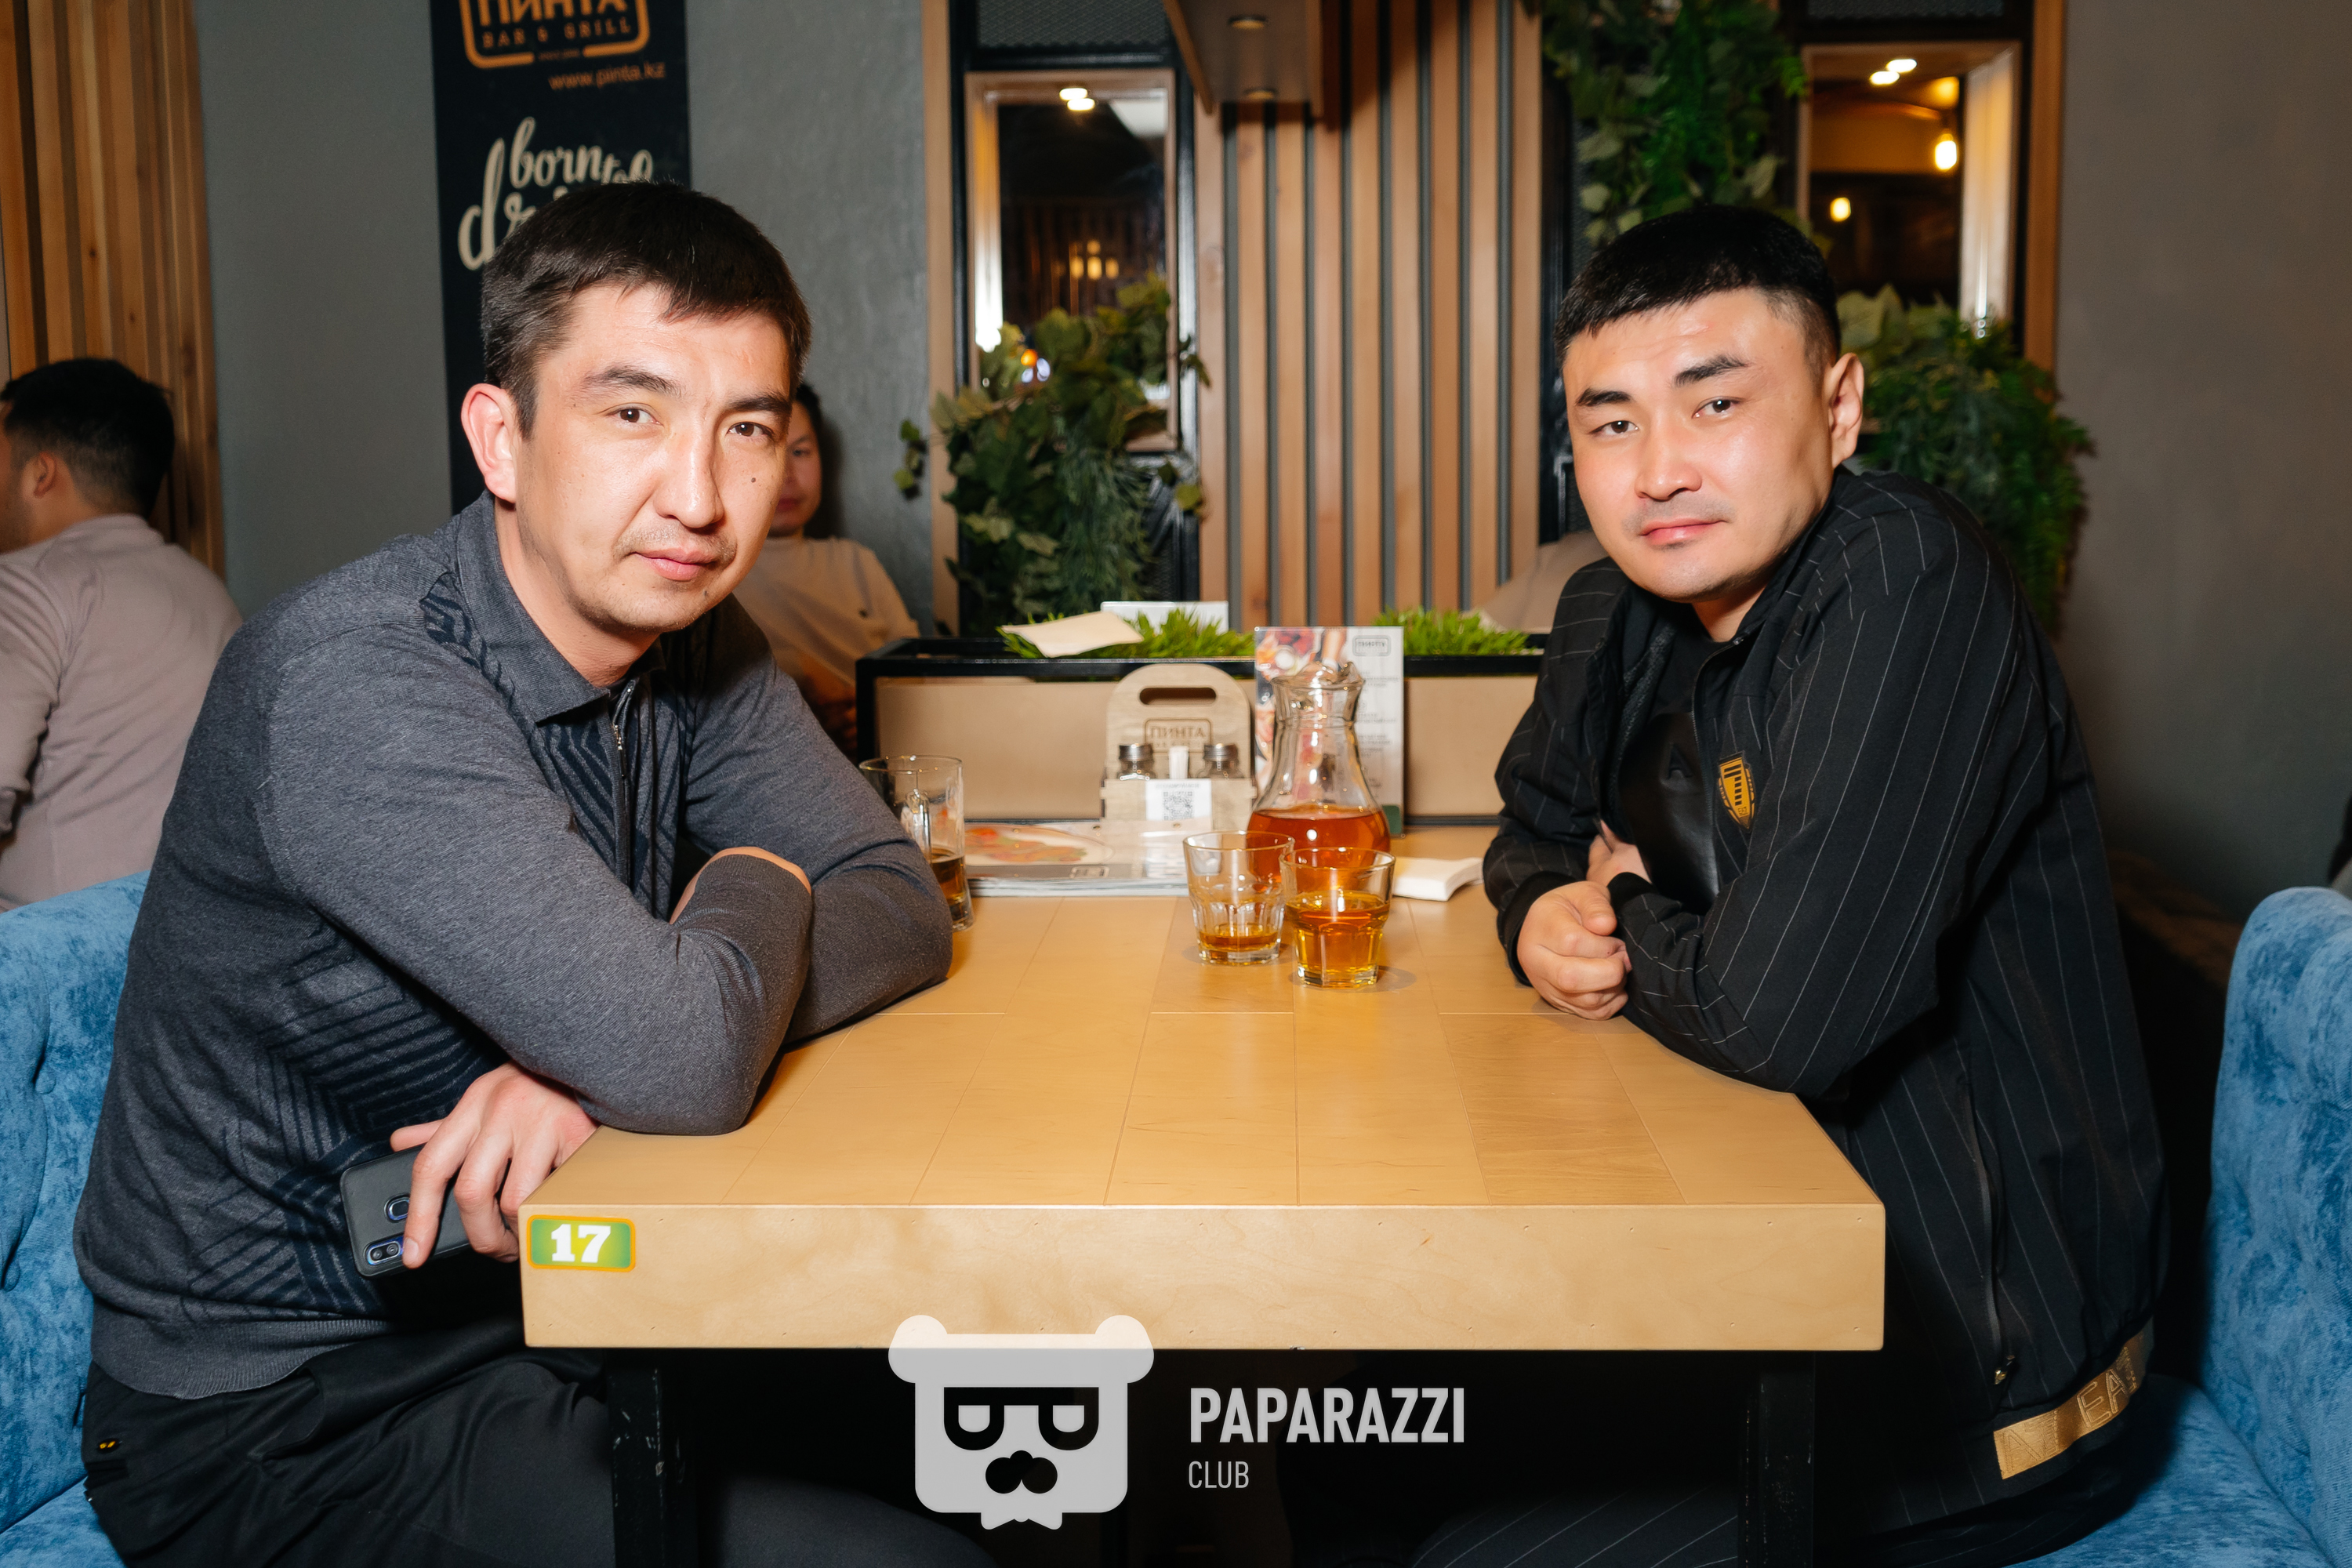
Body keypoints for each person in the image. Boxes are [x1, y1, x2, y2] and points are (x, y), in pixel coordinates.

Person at [71, 183, 979, 1568]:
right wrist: (727, 912)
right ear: (502, 438)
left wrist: (592, 1068)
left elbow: (897, 897)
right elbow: (682, 1050)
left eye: (747, 430)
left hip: (574, 1287)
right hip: (288, 1409)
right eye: (633, 414)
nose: (699, 498)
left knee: (1023, 1425)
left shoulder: (689, 635)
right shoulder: (358, 684)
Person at [1305, 207, 2166, 1567]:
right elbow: (1527, 833)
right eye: (1612, 424)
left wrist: (1628, 914)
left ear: (1839, 406)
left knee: (1471, 1555)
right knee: (1342, 1440)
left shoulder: (1908, 582)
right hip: (1741, 1281)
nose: (1660, 471)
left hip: (1975, 1377)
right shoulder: (1611, 608)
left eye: (1715, 403)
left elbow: (1783, 1018)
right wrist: (1539, 913)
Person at [0, 358, 239, 909]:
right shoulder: (211, 596)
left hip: (52, 946)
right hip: (184, 933)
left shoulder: (27, 584)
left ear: (40, 474)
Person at [730, 381, 920, 753]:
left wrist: (873, 717)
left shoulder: (855, 563)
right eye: (768, 448)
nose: (787, 475)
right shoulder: (715, 574)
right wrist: (800, 675)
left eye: (800, 452)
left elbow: (916, 674)